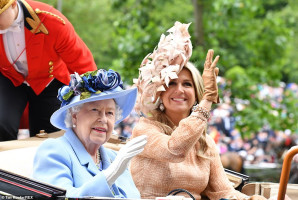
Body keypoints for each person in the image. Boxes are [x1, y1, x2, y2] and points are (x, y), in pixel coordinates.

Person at [131, 21, 267, 200]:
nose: (179, 90)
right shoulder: (144, 129)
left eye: (187, 84)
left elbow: (223, 192)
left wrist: (251, 199)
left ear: (196, 94)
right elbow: (174, 149)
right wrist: (207, 101)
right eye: (172, 83)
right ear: (160, 92)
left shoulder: (206, 143)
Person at [32, 69, 147, 198]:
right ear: (74, 115)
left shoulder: (114, 157)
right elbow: (63, 197)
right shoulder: (54, 150)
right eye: (94, 109)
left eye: (110, 113)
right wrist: (111, 173)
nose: (103, 119)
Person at [0, 0, 97, 141]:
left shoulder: (51, 20)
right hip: (10, 78)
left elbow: (81, 63)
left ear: (13, 4)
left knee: (49, 134)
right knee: (2, 123)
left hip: (49, 81)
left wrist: (94, 102)